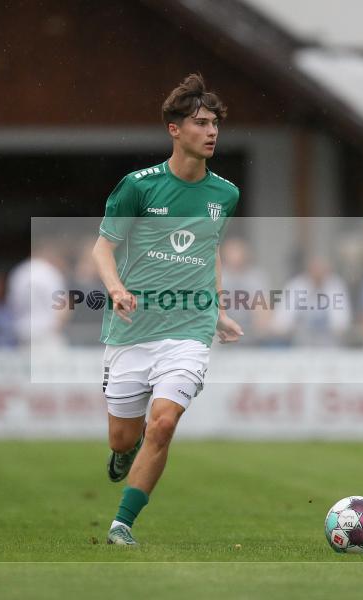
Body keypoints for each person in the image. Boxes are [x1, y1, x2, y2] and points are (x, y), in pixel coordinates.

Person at [92, 74, 242, 545]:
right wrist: (116, 288)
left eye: (215, 123)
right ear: (174, 130)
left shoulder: (225, 194)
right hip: (133, 329)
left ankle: (122, 524)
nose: (211, 131)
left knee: (163, 424)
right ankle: (123, 452)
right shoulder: (138, 186)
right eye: (200, 123)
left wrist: (216, 308)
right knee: (123, 439)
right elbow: (102, 248)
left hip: (188, 330)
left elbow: (209, 248)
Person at [271, 255, 350, 347]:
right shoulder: (296, 286)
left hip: (331, 347)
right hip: (299, 347)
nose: (317, 273)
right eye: (314, 269)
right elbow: (280, 322)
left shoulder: (336, 286)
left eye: (321, 269)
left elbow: (342, 323)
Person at [7, 237, 69, 348]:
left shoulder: (19, 272)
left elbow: (12, 305)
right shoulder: (50, 272)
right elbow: (63, 306)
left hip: (23, 334)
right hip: (47, 333)